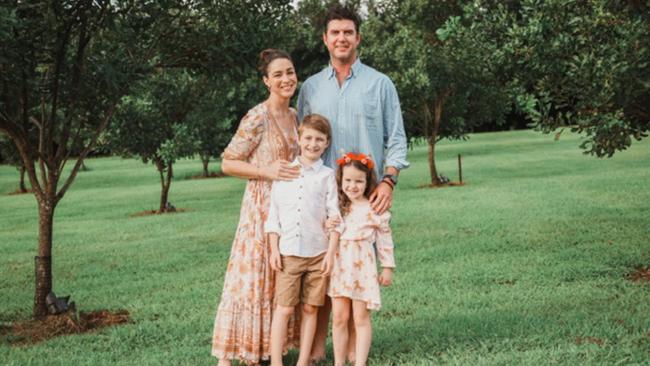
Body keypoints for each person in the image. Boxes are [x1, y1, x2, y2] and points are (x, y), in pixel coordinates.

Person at [296, 5, 409, 361]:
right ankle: (315, 349)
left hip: (365, 198)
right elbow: (303, 139)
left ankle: (349, 352)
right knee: (323, 270)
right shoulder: (311, 88)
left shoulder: (380, 84)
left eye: (348, 32)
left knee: (357, 271)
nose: (341, 38)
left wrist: (389, 181)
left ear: (357, 38)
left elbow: (397, 137)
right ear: (325, 39)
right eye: (335, 33)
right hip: (322, 197)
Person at [211, 49, 302, 366]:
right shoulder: (257, 117)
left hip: (289, 209)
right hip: (260, 209)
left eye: (289, 72)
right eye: (277, 74)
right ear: (266, 81)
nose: (286, 79)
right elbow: (227, 163)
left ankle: (268, 351)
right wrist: (267, 172)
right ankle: (236, 353)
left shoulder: (294, 116)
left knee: (279, 279)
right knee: (252, 280)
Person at [265, 114, 343, 366]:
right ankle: (276, 361)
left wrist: (331, 253)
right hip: (289, 252)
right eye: (308, 138)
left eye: (319, 139)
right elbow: (273, 215)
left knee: (311, 309)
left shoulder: (328, 176)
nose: (313, 144)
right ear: (298, 139)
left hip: (318, 254)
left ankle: (303, 361)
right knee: (285, 308)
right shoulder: (284, 172)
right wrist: (274, 249)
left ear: (327, 143)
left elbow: (335, 215)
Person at [329, 152, 396, 366]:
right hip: (340, 266)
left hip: (362, 267)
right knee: (339, 317)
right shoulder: (336, 206)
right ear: (341, 180)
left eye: (359, 181)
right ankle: (339, 362)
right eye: (348, 180)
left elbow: (385, 239)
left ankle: (360, 361)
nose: (353, 186)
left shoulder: (374, 208)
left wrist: (387, 267)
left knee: (360, 317)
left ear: (367, 182)